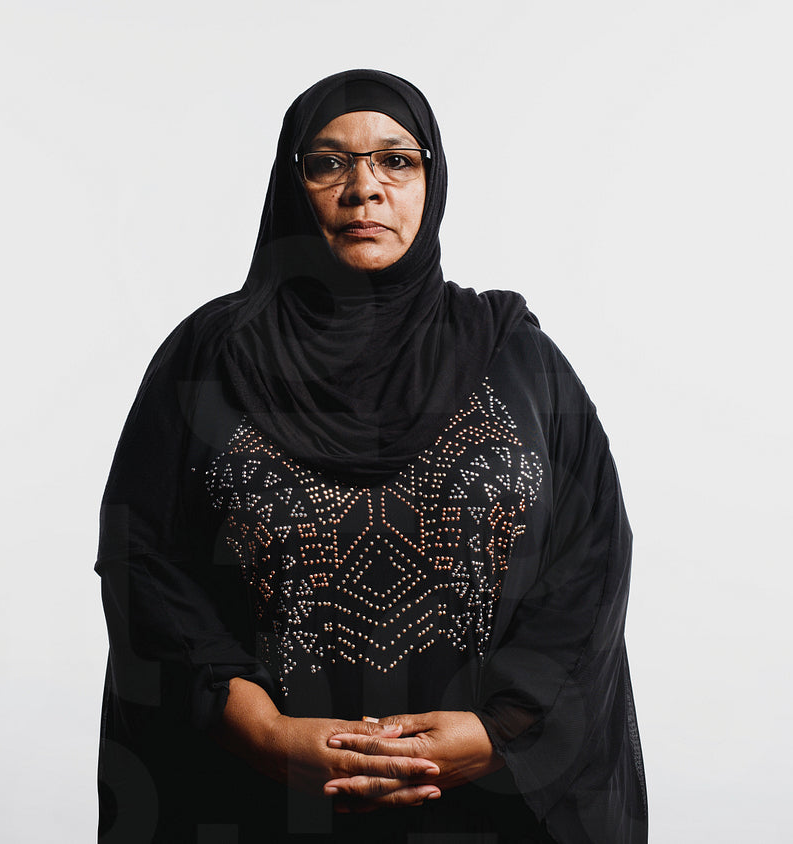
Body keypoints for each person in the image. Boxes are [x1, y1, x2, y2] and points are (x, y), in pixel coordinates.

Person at [96, 69, 647, 843]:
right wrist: (257, 729)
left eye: (396, 160)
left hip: (490, 803)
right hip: (257, 801)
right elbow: (142, 557)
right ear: (292, 185)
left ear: (431, 179)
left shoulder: (517, 357)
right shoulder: (211, 358)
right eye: (329, 163)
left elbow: (591, 557)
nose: (365, 189)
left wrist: (498, 732)